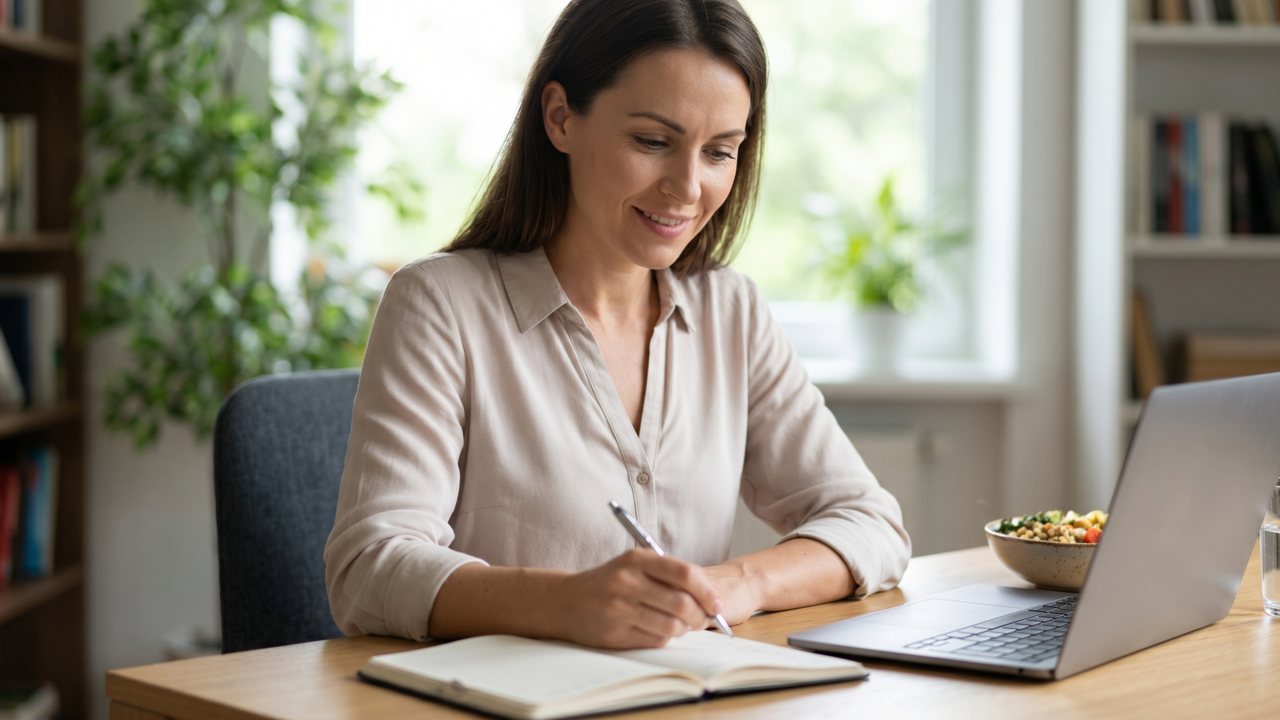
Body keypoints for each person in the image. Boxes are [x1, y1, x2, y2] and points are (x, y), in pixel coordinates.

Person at [324, 0, 910, 650]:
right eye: (653, 142)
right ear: (560, 117)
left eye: (719, 152)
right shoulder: (439, 304)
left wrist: (737, 585)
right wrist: (563, 602)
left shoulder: (729, 311)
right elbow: (367, 568)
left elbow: (871, 523)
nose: (687, 188)